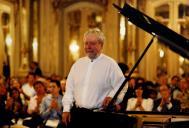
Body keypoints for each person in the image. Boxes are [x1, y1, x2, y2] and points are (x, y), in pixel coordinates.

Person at [62, 28, 125, 127]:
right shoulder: (78, 64)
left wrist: (112, 97)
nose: (88, 47)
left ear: (101, 44)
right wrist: (66, 109)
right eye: (86, 43)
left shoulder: (110, 64)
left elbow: (122, 85)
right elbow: (69, 89)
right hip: (78, 115)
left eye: (92, 43)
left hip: (99, 117)